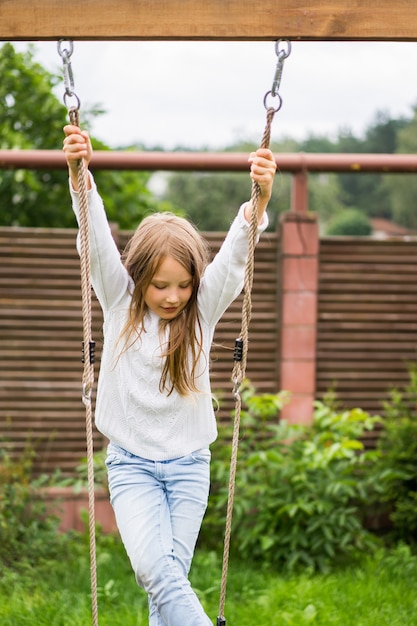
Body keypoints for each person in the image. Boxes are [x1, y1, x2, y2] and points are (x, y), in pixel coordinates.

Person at [63, 124, 276, 626]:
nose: (173, 296)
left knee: (168, 582)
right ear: (138, 278)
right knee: (156, 572)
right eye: (160, 285)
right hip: (132, 466)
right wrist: (79, 177)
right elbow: (94, 239)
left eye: (183, 284)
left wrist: (258, 204)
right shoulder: (118, 301)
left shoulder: (202, 312)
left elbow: (234, 257)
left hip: (188, 468)